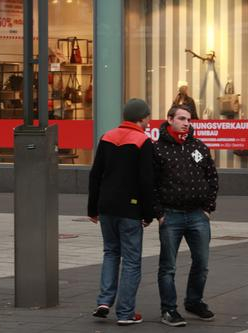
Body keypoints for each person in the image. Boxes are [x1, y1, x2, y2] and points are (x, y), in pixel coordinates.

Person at [88, 98, 154, 326]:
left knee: (110, 253)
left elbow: (96, 175)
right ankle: (125, 313)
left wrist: (92, 208)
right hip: (130, 209)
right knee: (132, 261)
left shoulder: (106, 137)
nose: (149, 121)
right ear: (142, 118)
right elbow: (147, 181)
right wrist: (148, 213)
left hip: (106, 207)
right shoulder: (143, 141)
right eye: (148, 117)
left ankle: (104, 302)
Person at [153, 104, 218, 327]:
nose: (186, 123)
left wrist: (208, 208)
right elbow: (150, 184)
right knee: (168, 266)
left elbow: (212, 177)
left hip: (198, 215)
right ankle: (169, 309)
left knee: (202, 262)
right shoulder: (158, 148)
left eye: (188, 120)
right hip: (170, 215)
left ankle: (194, 301)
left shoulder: (198, 146)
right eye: (181, 118)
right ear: (169, 119)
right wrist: (159, 213)